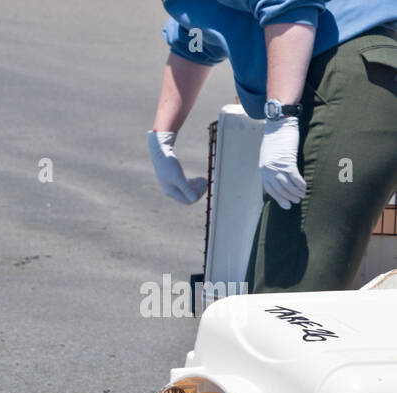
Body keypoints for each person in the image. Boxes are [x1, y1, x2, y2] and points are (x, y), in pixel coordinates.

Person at [148, 1, 397, 291]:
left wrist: (282, 118)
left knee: (289, 298)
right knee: (282, 295)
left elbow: (287, 3)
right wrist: (162, 136)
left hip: (348, 74)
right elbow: (194, 38)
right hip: (347, 74)